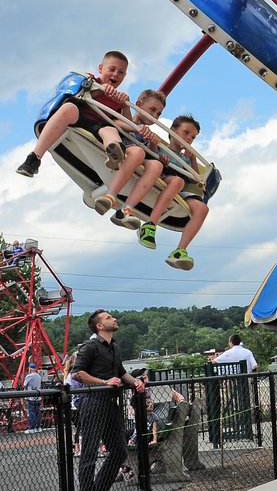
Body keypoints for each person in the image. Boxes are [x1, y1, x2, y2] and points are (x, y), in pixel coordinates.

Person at [16, 50, 132, 177]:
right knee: (69, 108)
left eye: (120, 72)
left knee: (111, 130)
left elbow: (127, 128)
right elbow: (75, 94)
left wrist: (125, 106)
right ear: (101, 68)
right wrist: (100, 91)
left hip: (99, 128)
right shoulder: (89, 81)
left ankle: (115, 154)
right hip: (79, 118)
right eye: (112, 69)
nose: (115, 75)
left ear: (124, 76)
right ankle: (34, 158)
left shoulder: (118, 100)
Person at [72, 310, 146, 491]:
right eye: (108, 318)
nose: (114, 319)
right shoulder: (90, 347)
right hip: (93, 402)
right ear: (99, 326)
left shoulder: (115, 347)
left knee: (119, 451)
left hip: (111, 404)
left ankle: (99, 488)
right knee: (89, 454)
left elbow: (120, 371)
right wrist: (104, 382)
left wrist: (135, 381)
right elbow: (77, 373)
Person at [138, 115, 210, 270]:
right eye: (186, 133)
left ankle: (180, 251)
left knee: (202, 208)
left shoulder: (185, 159)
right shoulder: (163, 148)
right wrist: (157, 153)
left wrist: (192, 161)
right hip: (161, 180)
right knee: (177, 181)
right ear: (173, 130)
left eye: (193, 137)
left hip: (179, 190)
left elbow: (196, 180)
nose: (189, 138)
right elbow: (150, 156)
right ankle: (150, 225)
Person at [95, 88, 170, 229]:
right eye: (152, 109)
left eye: (158, 114)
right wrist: (136, 128)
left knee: (156, 166)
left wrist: (154, 144)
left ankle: (126, 209)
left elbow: (152, 155)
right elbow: (118, 123)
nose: (154, 115)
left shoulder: (147, 133)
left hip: (138, 159)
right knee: (138, 152)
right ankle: (111, 195)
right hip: (126, 150)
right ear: (139, 104)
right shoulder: (126, 118)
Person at [22, 362, 42, 433]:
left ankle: (32, 428)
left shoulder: (29, 376)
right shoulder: (39, 376)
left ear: (30, 368)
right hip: (38, 396)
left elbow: (24, 385)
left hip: (31, 396)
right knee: (37, 412)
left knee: (31, 412)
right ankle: (38, 427)